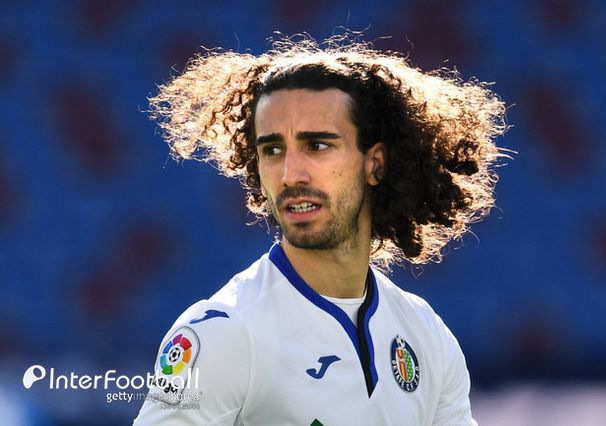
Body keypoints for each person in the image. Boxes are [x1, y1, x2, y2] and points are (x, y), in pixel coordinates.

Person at [133, 34, 507, 425]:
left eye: (317, 146)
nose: (290, 174)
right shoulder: (223, 332)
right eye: (272, 150)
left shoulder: (427, 335)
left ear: (375, 164)